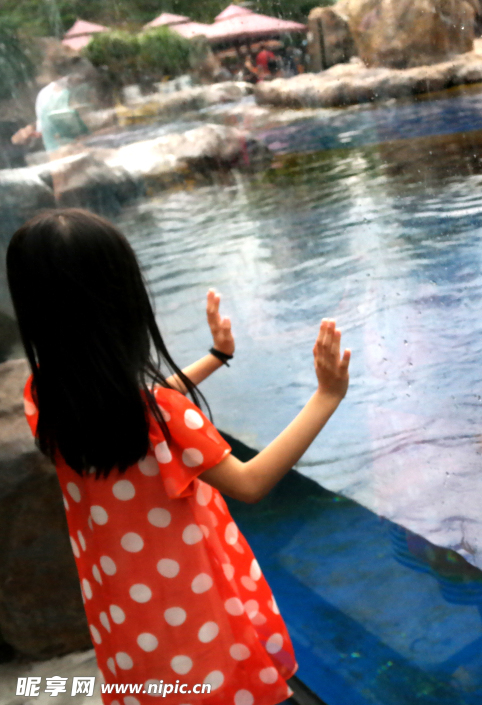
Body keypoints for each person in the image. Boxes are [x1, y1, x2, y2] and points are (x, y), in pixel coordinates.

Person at [6, 209, 352, 705]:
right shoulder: (162, 416)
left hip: (133, 627)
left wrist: (216, 357)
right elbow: (249, 483)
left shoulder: (45, 396)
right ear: (123, 302)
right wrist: (326, 396)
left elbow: (124, 410)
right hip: (203, 620)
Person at [11, 57, 92, 153]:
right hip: (65, 151)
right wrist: (29, 130)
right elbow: (42, 126)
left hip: (74, 149)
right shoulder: (46, 95)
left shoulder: (46, 94)